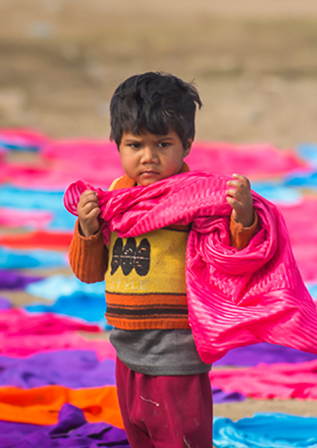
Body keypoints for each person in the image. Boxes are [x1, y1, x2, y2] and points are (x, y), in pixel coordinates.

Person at [68, 72, 258, 448]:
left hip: (177, 351)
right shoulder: (114, 201)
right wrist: (87, 229)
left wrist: (243, 218)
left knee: (181, 439)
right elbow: (89, 273)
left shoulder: (195, 201)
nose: (148, 157)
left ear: (186, 145)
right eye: (135, 144)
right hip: (127, 347)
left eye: (163, 144)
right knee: (140, 435)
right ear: (116, 145)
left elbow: (232, 258)